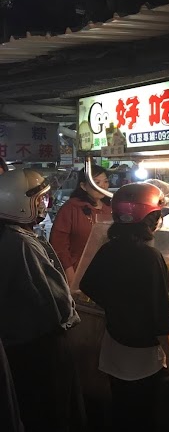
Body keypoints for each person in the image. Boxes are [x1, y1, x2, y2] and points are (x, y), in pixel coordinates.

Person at [79, 183, 169, 432]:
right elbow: (160, 314)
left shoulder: (109, 248)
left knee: (121, 409)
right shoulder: (149, 256)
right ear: (151, 219)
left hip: (114, 346)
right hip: (144, 356)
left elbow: (87, 284)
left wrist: (118, 306)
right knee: (144, 416)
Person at [0, 166, 86, 432]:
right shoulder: (22, 243)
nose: (45, 205)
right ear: (20, 203)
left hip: (18, 344)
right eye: (40, 200)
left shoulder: (13, 235)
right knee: (52, 413)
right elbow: (55, 303)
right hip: (39, 348)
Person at [50, 165, 112, 284]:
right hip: (77, 271)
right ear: (83, 186)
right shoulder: (71, 208)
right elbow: (59, 245)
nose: (102, 186)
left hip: (104, 272)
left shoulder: (109, 209)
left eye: (105, 181)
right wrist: (70, 275)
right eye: (96, 182)